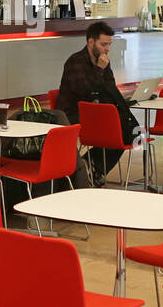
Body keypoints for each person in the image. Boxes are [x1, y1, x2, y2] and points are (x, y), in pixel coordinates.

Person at [57, 21, 138, 184]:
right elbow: (85, 92)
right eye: (104, 44)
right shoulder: (75, 62)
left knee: (128, 131)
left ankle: (90, 167)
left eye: (109, 44)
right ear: (91, 42)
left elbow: (109, 87)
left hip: (97, 113)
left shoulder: (103, 61)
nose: (107, 48)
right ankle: (87, 169)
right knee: (116, 130)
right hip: (73, 115)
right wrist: (99, 69)